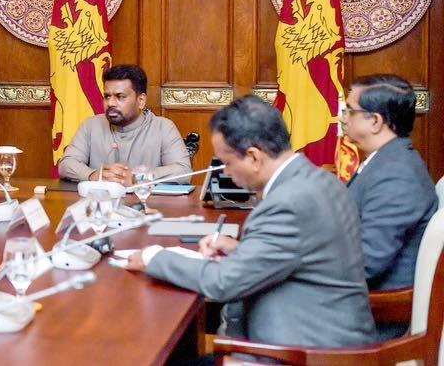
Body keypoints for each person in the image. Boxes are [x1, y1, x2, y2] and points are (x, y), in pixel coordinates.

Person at [126, 95, 375, 347]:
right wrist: (240, 251)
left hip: (305, 351)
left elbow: (223, 282)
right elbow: (298, 252)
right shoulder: (320, 180)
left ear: (254, 157)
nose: (224, 172)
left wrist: (154, 257)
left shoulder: (287, 203)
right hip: (324, 333)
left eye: (227, 163)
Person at [343, 75, 437, 337]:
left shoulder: (397, 175)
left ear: (375, 121)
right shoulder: (386, 161)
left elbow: (366, 263)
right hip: (360, 302)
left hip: (373, 319)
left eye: (350, 111)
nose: (343, 118)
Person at [57, 64, 191, 185]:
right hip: (100, 207)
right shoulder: (91, 125)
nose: (111, 103)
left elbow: (183, 171)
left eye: (120, 97)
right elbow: (66, 165)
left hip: (147, 208)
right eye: (107, 96)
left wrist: (137, 177)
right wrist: (92, 175)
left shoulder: (163, 128)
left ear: (141, 100)